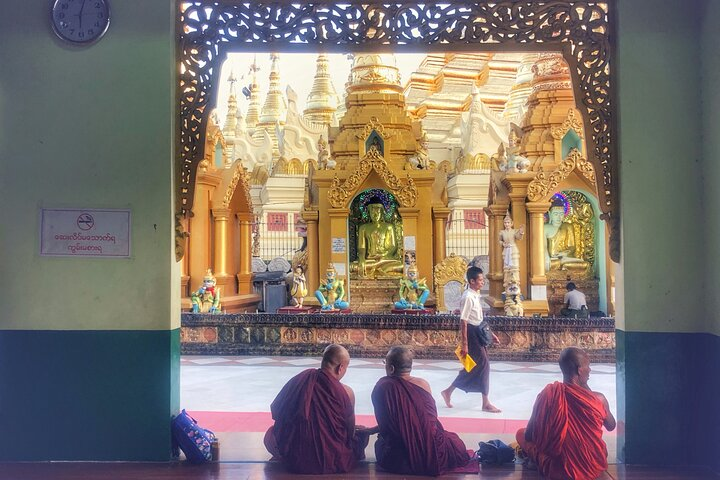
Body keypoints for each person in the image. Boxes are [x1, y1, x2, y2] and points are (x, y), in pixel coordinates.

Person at [264, 344, 372, 474]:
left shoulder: (301, 380)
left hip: (296, 455)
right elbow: (349, 433)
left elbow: (277, 412)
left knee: (270, 435)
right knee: (361, 436)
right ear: (340, 368)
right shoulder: (346, 392)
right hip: (332, 457)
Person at [516, 347, 616, 480]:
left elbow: (529, 434)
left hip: (560, 470)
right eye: (588, 365)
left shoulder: (549, 394)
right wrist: (586, 388)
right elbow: (611, 425)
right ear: (580, 370)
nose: (590, 369)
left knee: (520, 434)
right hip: (593, 466)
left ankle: (535, 461)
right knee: (598, 447)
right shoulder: (599, 399)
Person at [371, 346, 471, 476]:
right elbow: (429, 422)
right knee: (455, 443)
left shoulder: (383, 387)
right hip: (435, 453)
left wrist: (371, 430)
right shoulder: (423, 384)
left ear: (391, 368)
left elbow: (388, 426)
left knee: (380, 443)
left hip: (399, 459)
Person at [441, 266, 501, 412]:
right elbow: (464, 321)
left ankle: (448, 391)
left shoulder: (475, 294)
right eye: (480, 280)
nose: (482, 282)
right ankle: (485, 403)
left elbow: (478, 318)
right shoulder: (468, 297)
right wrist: (465, 344)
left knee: (474, 366)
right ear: (472, 281)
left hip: (478, 331)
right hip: (472, 335)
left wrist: (491, 334)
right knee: (484, 365)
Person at [352, 202, 404, 278]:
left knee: (403, 265)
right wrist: (362, 259)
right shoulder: (363, 228)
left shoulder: (389, 227)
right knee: (352, 266)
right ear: (369, 213)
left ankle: (382, 269)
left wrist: (383, 255)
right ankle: (382, 270)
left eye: (378, 212)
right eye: (372, 212)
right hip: (370, 260)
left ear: (382, 213)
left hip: (385, 260)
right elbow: (361, 247)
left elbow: (393, 247)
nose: (375, 215)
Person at [544, 202, 588, 272]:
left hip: (565, 258)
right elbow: (543, 247)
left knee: (584, 265)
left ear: (564, 215)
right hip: (552, 260)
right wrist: (547, 259)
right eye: (555, 214)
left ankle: (563, 267)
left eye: (561, 214)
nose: (559, 217)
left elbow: (572, 247)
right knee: (547, 264)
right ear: (550, 214)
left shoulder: (568, 226)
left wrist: (563, 254)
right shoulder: (545, 228)